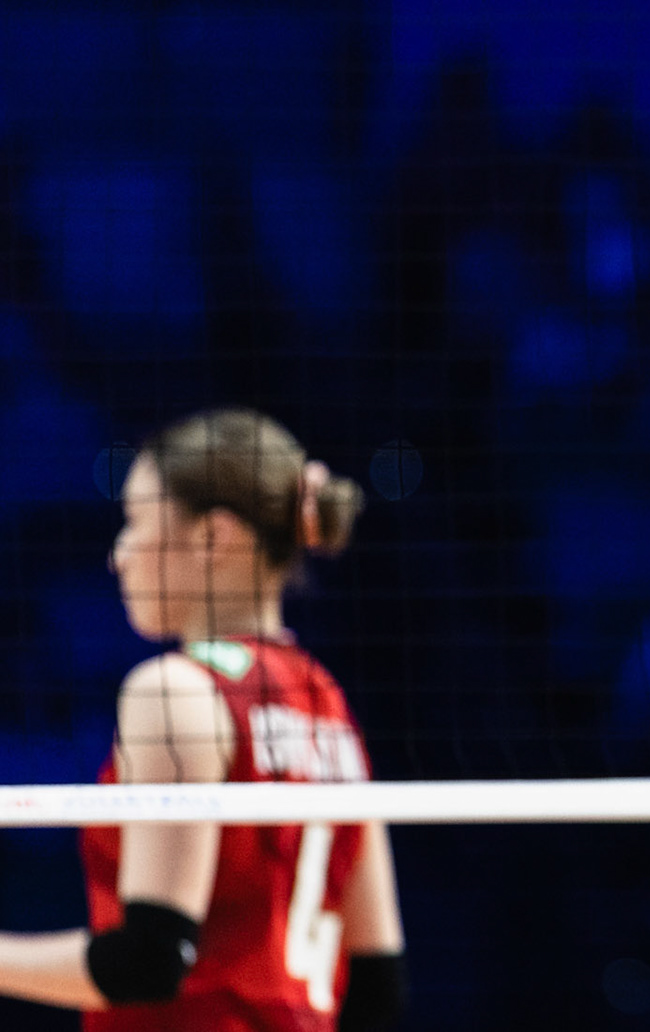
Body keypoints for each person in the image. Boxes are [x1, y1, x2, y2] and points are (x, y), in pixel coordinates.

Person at [0, 408, 408, 1032]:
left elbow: (147, 963)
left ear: (214, 538)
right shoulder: (327, 703)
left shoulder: (174, 692)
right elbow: (378, 985)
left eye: (136, 522)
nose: (119, 555)